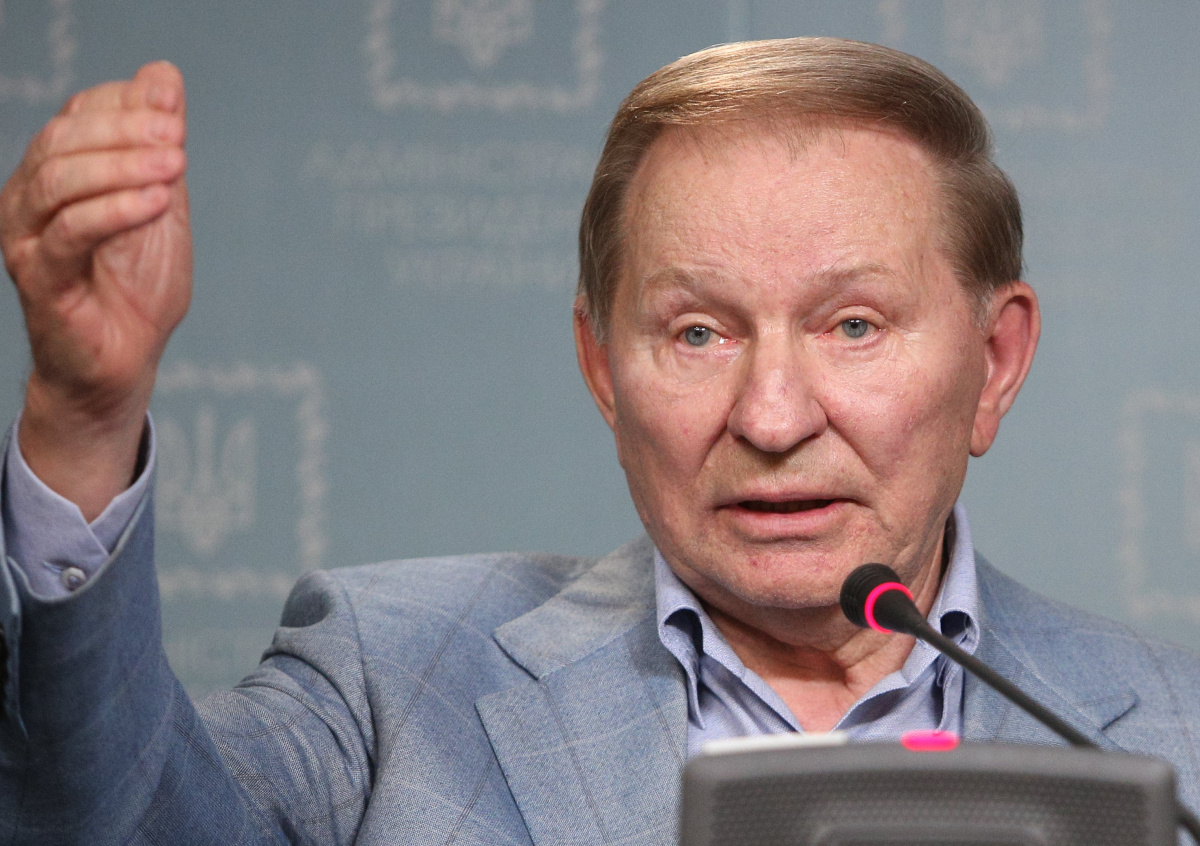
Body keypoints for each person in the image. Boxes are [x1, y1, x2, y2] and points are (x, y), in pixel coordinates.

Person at [1, 37, 1198, 845]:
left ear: (995, 362)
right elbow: (110, 825)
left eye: (852, 325)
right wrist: (87, 423)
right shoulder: (391, 676)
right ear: (601, 368)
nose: (773, 418)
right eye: (697, 332)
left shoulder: (1178, 733)